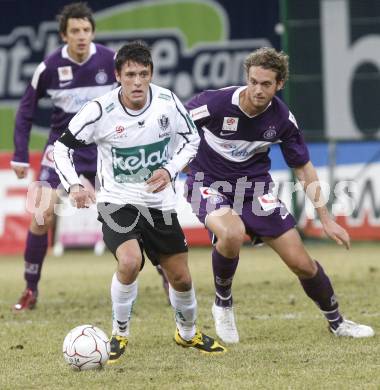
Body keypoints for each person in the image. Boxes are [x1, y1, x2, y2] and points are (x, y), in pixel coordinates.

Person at [184, 47, 375, 343]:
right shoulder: (215, 103)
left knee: (302, 263)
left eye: (266, 84)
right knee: (231, 234)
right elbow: (173, 126)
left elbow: (303, 168)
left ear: (280, 84)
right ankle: (223, 303)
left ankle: (337, 322)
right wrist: (172, 165)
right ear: (246, 78)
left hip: (254, 190)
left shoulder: (283, 119)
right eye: (253, 81)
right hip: (206, 183)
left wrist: (326, 219)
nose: (258, 90)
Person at [53, 41, 226, 361]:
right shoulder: (99, 111)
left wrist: (170, 169)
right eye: (130, 74)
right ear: (118, 75)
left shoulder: (167, 102)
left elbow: (192, 140)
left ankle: (187, 334)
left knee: (181, 278)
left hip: (159, 205)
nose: (136, 81)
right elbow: (62, 148)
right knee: (130, 262)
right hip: (117, 202)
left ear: (151, 75)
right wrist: (75, 184)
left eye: (143, 74)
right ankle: (119, 333)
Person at [10, 2, 119, 311]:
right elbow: (25, 110)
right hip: (62, 148)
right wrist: (20, 154)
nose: (81, 36)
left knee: (134, 214)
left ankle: (166, 277)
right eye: (75, 31)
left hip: (102, 148)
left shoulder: (111, 61)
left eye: (86, 30)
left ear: (93, 33)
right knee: (42, 213)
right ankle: (30, 289)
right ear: (64, 35)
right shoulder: (49, 68)